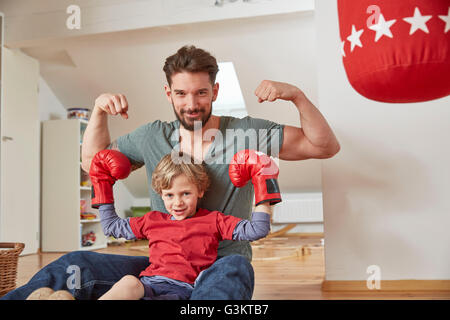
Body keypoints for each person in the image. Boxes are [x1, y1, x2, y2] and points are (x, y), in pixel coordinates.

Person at [1, 45, 339, 300]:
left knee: (232, 273)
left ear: (215, 92)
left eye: (201, 93)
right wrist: (100, 112)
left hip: (221, 263)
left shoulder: (246, 132)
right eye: (181, 93)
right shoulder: (151, 136)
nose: (191, 103)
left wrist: (297, 95)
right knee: (75, 265)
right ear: (168, 93)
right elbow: (93, 164)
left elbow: (323, 146)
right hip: (162, 267)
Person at [92, 149, 278, 300]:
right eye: (170, 195)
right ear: (161, 194)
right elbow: (111, 227)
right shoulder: (152, 220)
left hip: (182, 291)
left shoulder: (213, 220)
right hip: (147, 285)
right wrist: (101, 186)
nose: (178, 203)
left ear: (200, 191)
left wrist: (264, 185)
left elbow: (257, 230)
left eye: (185, 193)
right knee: (128, 282)